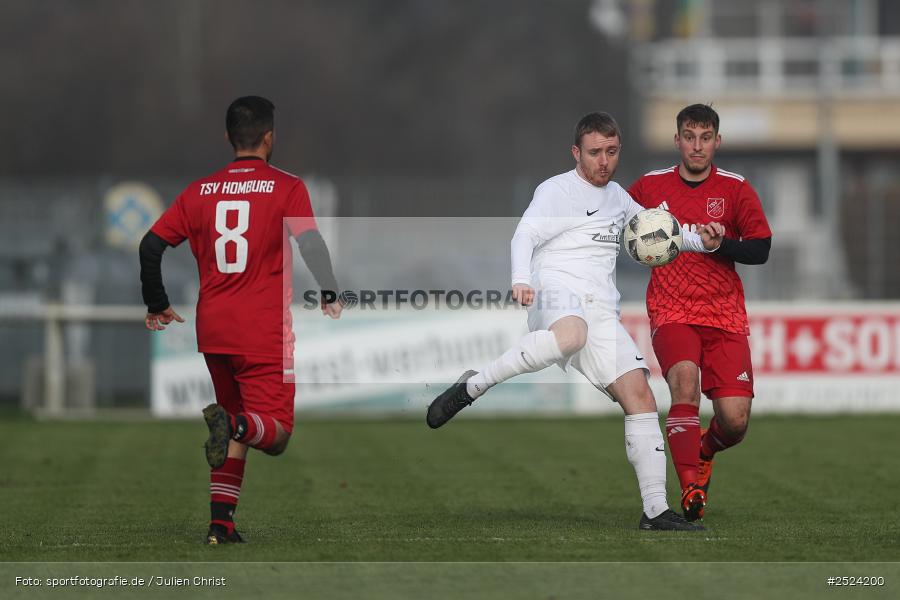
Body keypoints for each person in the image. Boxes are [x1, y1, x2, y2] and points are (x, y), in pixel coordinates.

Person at [427, 112, 723, 531]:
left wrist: (700, 240)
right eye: (595, 152)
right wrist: (521, 279)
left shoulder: (619, 197)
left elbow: (657, 232)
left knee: (641, 397)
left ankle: (655, 510)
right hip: (555, 288)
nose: (604, 161)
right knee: (571, 334)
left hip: (601, 307)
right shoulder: (556, 191)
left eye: (612, 151)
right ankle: (475, 384)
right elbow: (524, 235)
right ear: (576, 153)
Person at [139, 96, 344, 544]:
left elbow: (150, 247)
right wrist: (329, 288)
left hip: (213, 330)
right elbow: (309, 243)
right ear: (269, 138)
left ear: (228, 138)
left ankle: (220, 525)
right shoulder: (287, 187)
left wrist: (157, 303)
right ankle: (231, 427)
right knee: (274, 434)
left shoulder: (198, 191)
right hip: (261, 331)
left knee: (236, 417)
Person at [628, 103, 772, 522]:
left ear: (717, 142)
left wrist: (721, 245)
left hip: (724, 313)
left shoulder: (736, 189)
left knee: (735, 421)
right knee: (684, 385)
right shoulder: (649, 188)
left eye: (705, 138)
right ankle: (691, 486)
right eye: (689, 137)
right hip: (671, 308)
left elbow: (761, 249)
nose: (697, 146)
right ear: (677, 141)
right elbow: (616, 223)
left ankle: (705, 451)